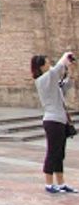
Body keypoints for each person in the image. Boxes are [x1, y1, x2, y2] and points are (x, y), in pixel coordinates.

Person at [33, 51, 77, 193]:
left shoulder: (51, 80)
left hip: (60, 119)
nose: (50, 65)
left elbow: (64, 87)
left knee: (60, 153)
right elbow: (58, 68)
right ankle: (49, 183)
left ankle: (61, 183)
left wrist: (70, 70)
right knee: (52, 152)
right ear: (41, 67)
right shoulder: (43, 79)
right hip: (52, 121)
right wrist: (66, 56)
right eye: (47, 63)